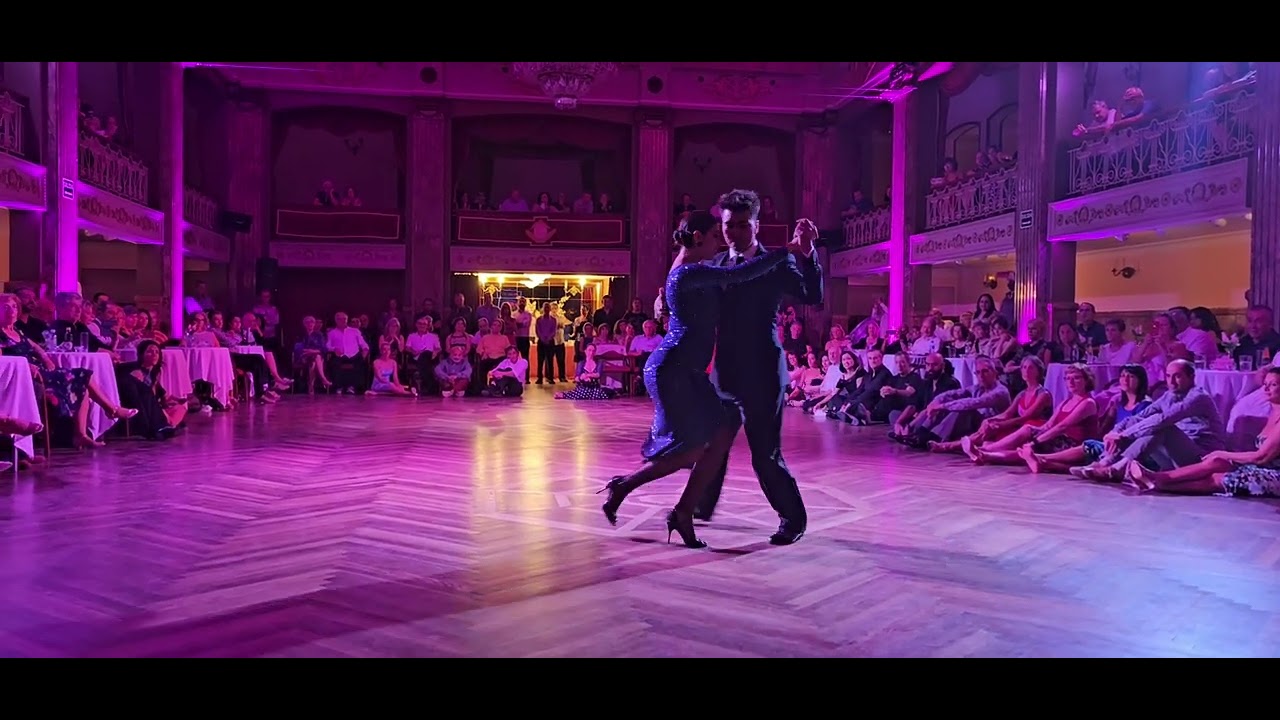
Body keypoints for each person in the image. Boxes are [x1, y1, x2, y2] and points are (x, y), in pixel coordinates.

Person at [596, 210, 799, 548]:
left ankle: (683, 511)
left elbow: (735, 287)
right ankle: (627, 487)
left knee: (723, 429)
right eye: (715, 236)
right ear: (697, 238)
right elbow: (741, 274)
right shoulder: (686, 275)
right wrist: (787, 249)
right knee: (689, 451)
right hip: (673, 370)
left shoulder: (697, 274)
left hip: (688, 371)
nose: (720, 242)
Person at [695, 189, 823, 545]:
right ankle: (701, 506)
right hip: (725, 370)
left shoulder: (777, 262)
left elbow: (812, 296)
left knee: (764, 452)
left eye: (741, 225)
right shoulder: (717, 265)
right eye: (727, 225)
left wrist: (809, 253)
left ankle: (792, 519)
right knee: (712, 444)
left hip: (765, 372)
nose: (733, 232)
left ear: (755, 224)